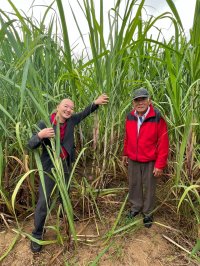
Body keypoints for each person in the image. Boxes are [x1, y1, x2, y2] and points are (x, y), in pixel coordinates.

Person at [28, 94, 109, 253]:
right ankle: (38, 233)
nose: (69, 110)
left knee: (64, 192)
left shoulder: (71, 120)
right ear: (58, 107)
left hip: (65, 165)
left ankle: (65, 215)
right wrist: (40, 135)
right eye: (66, 106)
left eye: (71, 108)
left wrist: (96, 102)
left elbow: (85, 112)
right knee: (44, 200)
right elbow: (30, 145)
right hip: (49, 167)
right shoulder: (45, 123)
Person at [122, 88, 169, 228]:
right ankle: (135, 208)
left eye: (143, 99)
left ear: (149, 101)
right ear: (133, 102)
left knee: (149, 187)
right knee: (134, 184)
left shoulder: (157, 117)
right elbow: (127, 137)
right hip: (133, 158)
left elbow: (163, 142)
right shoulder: (130, 116)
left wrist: (160, 164)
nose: (140, 102)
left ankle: (148, 213)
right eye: (137, 100)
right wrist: (125, 153)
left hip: (150, 160)